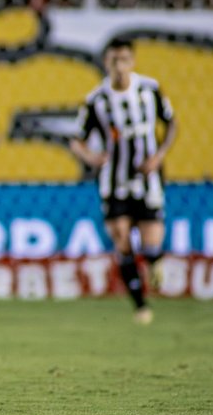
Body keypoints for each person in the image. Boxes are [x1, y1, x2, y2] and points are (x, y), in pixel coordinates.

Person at [69, 38, 176, 325]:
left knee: (152, 241)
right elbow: (76, 140)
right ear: (106, 63)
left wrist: (159, 156)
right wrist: (91, 157)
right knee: (121, 238)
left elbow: (171, 123)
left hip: (147, 177)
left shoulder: (150, 90)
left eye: (124, 60)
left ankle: (154, 260)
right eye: (113, 60)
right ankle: (141, 306)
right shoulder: (96, 100)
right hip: (113, 180)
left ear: (133, 62)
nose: (119, 66)